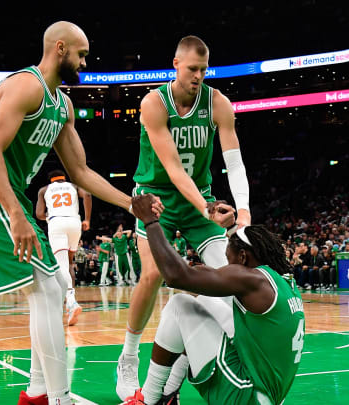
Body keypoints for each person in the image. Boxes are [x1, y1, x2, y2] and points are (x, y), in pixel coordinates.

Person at [0, 21, 161, 405]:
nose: (85, 62)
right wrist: (16, 214)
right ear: (60, 48)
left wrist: (128, 202)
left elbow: (80, 171)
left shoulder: (62, 105)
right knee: (49, 291)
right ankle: (58, 397)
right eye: (81, 54)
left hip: (4, 196)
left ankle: (36, 393)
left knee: (49, 291)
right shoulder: (25, 85)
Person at [117, 35, 252, 400]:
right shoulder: (154, 104)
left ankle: (178, 374)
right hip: (155, 198)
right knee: (153, 273)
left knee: (227, 278)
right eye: (193, 69)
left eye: (204, 70)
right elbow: (175, 169)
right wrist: (206, 207)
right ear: (175, 64)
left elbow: (234, 162)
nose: (198, 76)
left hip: (199, 202)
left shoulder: (218, 103)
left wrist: (243, 210)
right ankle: (128, 355)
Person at [121, 194, 304, 405]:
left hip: (243, 396)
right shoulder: (283, 282)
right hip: (266, 395)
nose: (226, 267)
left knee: (180, 306)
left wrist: (150, 222)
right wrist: (230, 227)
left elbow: (175, 276)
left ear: (243, 258)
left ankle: (149, 399)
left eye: (229, 260)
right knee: (206, 303)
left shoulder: (253, 279)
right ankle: (168, 395)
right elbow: (215, 273)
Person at [35, 169, 92, 326]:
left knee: (61, 265)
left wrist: (50, 214)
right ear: (64, 178)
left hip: (57, 223)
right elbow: (87, 195)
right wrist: (87, 219)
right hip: (75, 223)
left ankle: (71, 302)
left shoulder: (44, 190)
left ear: (50, 180)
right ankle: (69, 301)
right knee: (69, 263)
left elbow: (39, 213)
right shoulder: (73, 186)